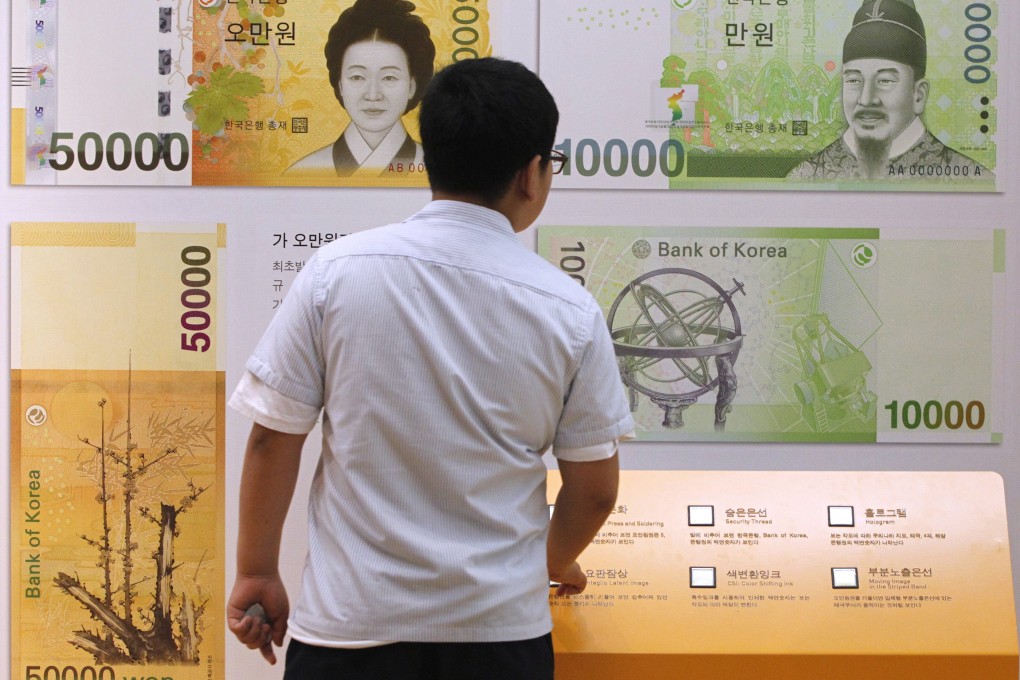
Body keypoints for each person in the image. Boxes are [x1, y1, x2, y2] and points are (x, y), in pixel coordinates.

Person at [227, 57, 635, 680]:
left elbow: (269, 436)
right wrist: (550, 562)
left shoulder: (337, 274)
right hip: (500, 639)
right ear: (533, 174)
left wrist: (257, 571)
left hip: (348, 632)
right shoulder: (570, 311)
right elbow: (596, 491)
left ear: (430, 158)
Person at [787, 0, 991, 181]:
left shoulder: (972, 178)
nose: (866, 99)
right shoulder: (806, 176)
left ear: (918, 94)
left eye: (884, 81)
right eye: (854, 80)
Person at [285, 0, 435, 178]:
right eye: (357, 77)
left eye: (389, 77)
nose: (373, 95)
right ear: (340, 84)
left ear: (412, 86)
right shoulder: (301, 173)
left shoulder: (443, 171)